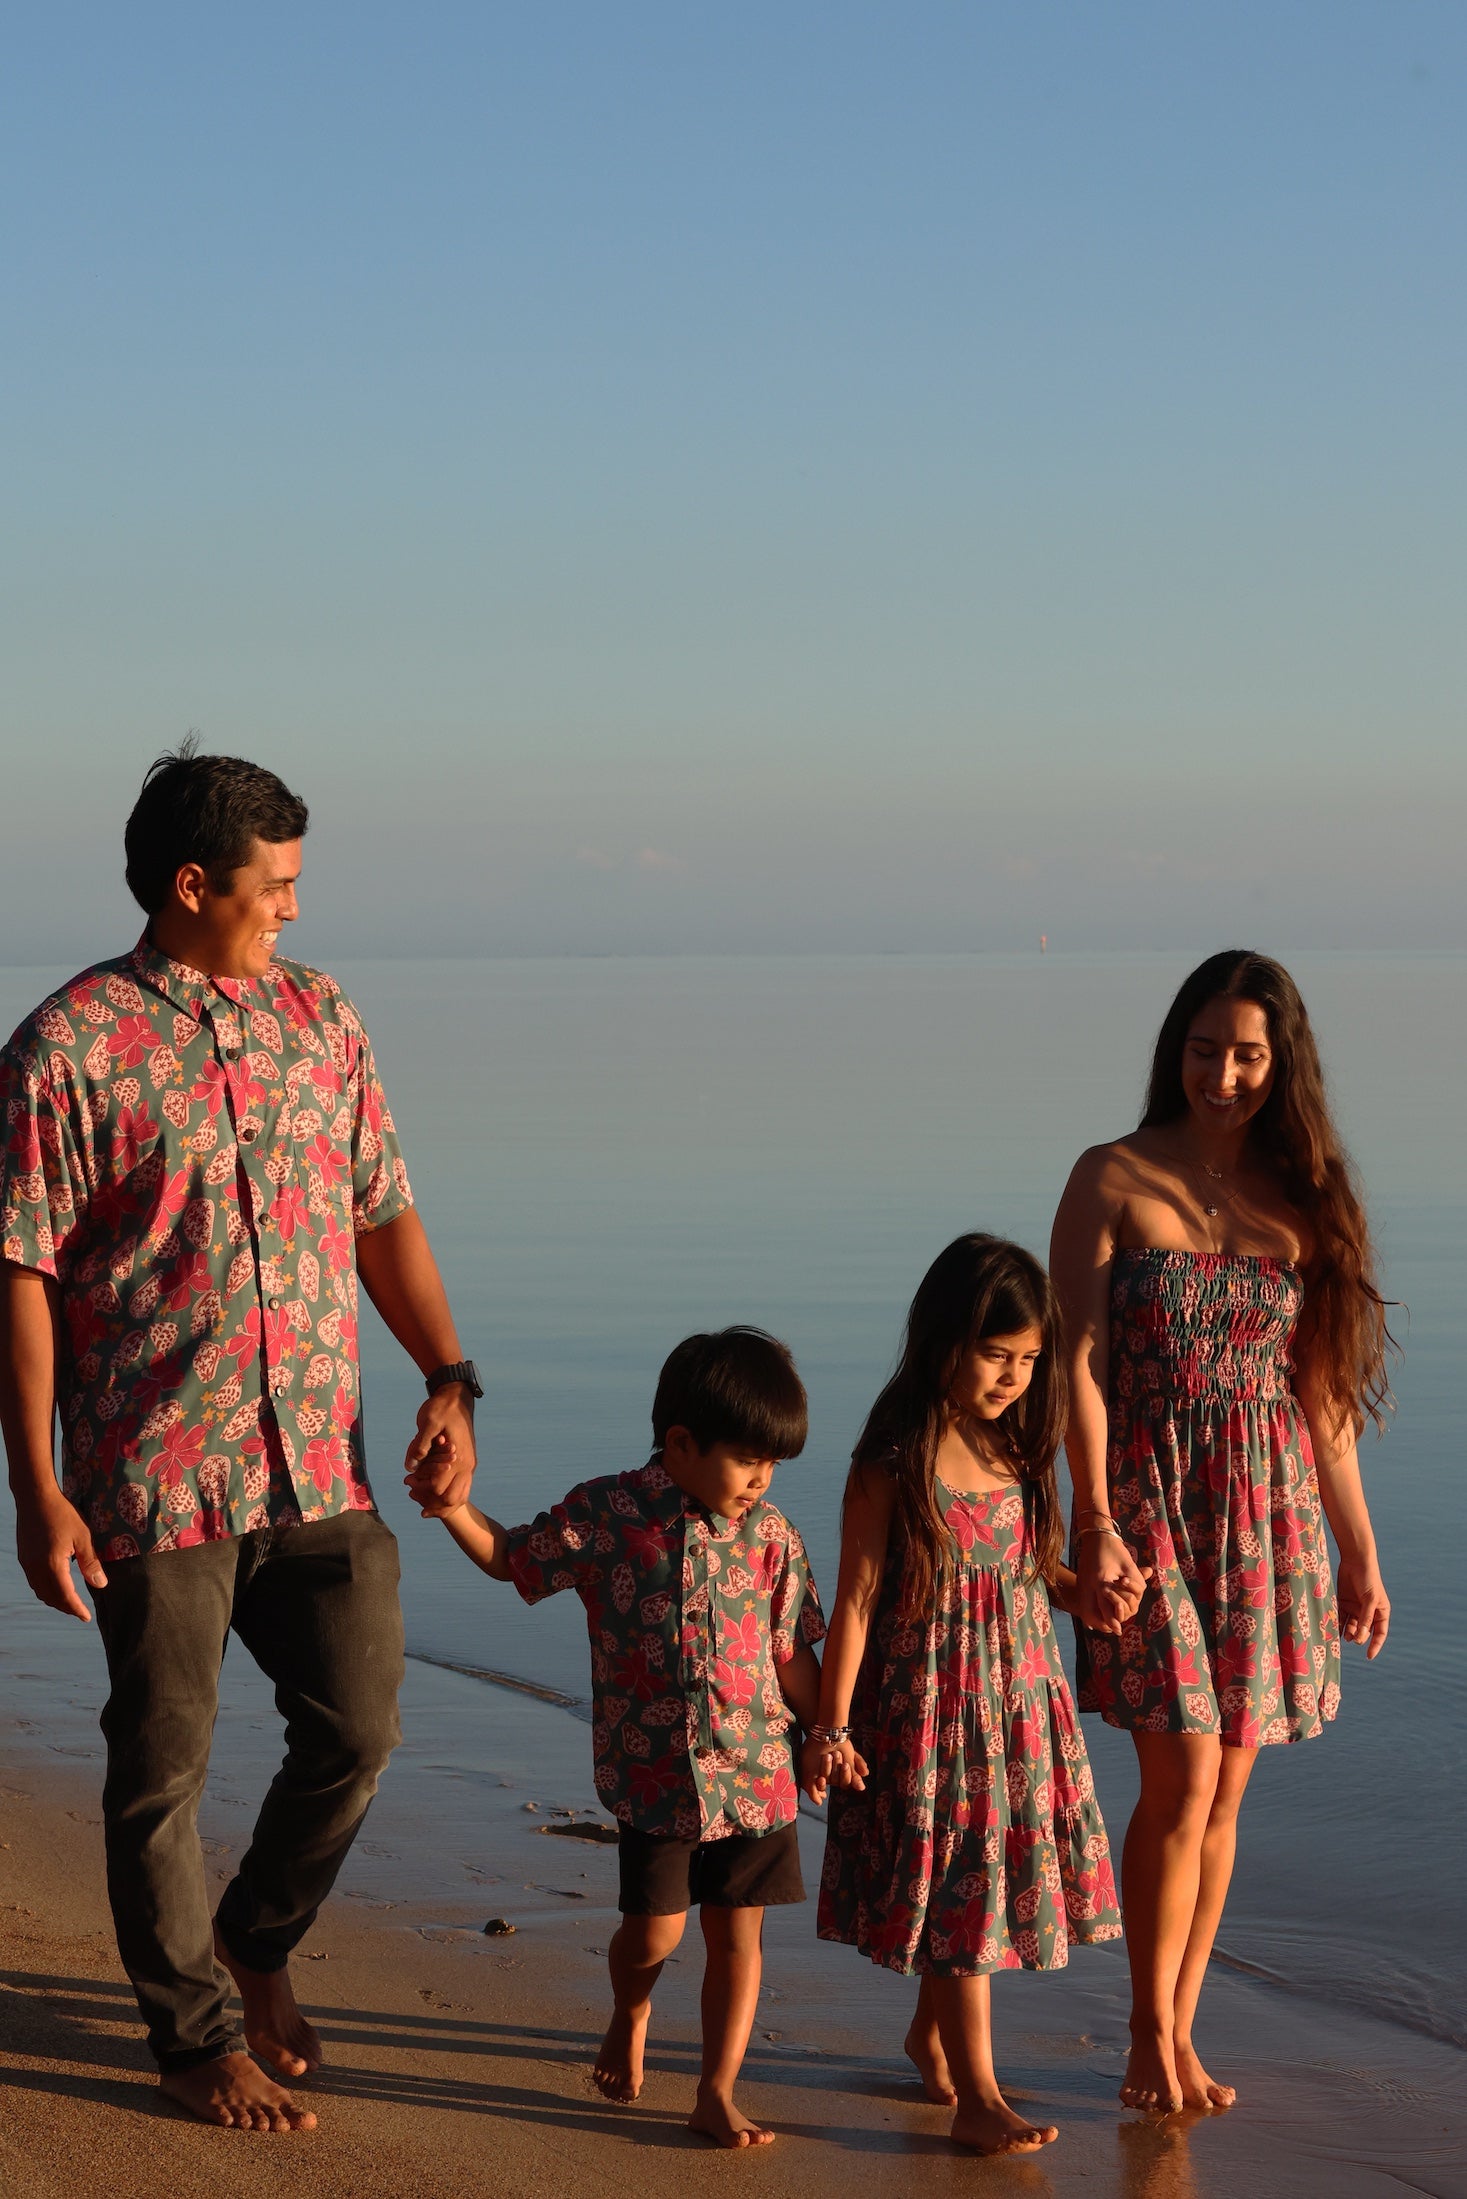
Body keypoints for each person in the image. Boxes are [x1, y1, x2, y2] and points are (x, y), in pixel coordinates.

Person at [0, 745, 479, 2134]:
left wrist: (449, 1379)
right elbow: (19, 1270)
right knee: (162, 1770)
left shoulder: (322, 1017)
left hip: (319, 1458)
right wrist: (36, 1485)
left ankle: (254, 1941)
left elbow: (382, 1210)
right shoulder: (66, 1048)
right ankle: (193, 2037)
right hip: (155, 1472)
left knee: (359, 1727)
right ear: (193, 883)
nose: (292, 909)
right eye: (275, 886)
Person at [1049, 949, 1392, 2116]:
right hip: (1149, 1508)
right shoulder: (1110, 1175)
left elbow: (1324, 1399)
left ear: (1282, 1064)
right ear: (1176, 1050)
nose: (1225, 1076)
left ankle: (1182, 2032)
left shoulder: (1305, 1199)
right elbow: (1078, 1367)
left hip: (1269, 1522)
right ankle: (1146, 2033)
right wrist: (1092, 1519)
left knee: (1227, 1793)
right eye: (1206, 1050)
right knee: (1181, 1776)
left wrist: (1359, 1550)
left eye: (1248, 1055)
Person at [410, 1326, 826, 2150]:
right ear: (680, 1442)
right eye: (747, 1459)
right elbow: (513, 1559)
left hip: (757, 1777)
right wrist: (452, 1506)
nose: (761, 1479)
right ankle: (630, 2009)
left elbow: (791, 1653)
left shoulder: (771, 1535)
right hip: (655, 1779)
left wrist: (829, 1733)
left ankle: (715, 2090)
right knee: (653, 1935)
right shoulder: (607, 1512)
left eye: (772, 1464)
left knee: (738, 1936)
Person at [812, 1235, 1127, 2157]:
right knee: (961, 1881)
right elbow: (856, 1600)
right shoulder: (893, 1459)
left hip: (1018, 1699)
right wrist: (830, 1726)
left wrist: (1081, 1593)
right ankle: (979, 2097)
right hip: (930, 1706)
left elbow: (1024, 1565)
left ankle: (929, 2034)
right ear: (943, 1338)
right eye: (996, 1354)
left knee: (975, 1880)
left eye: (1027, 1359)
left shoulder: (1017, 1444)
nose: (1013, 1376)